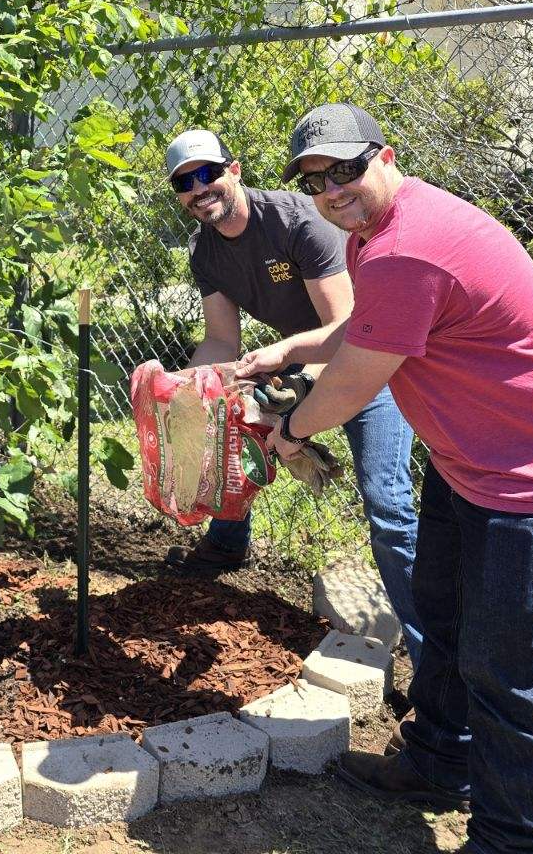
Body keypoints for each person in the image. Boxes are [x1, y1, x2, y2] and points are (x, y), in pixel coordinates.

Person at [256, 103, 533, 854]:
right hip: (474, 462)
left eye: (346, 169)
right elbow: (369, 329)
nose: (331, 188)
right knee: (443, 617)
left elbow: (355, 381)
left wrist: (288, 432)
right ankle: (439, 762)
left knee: (504, 663)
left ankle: (514, 837)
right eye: (315, 178)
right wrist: (289, 350)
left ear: (386, 156)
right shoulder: (378, 232)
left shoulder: (405, 247)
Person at [162, 128, 423, 669]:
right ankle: (228, 541)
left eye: (208, 173)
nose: (199, 188)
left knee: (387, 504)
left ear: (234, 168)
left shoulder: (296, 220)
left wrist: (296, 411)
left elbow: (346, 329)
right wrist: (185, 392)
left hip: (369, 361)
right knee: (222, 409)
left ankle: (433, 662)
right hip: (291, 360)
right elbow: (220, 343)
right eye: (185, 183)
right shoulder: (207, 250)